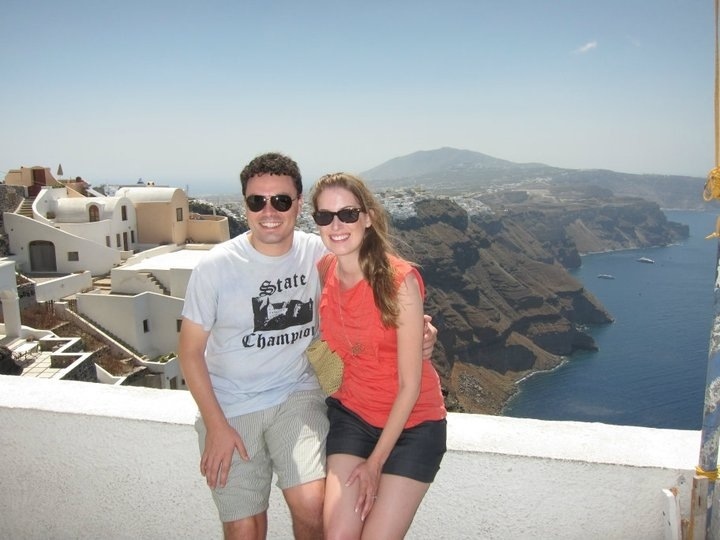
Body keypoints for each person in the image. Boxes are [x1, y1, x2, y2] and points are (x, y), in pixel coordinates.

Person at [178, 152, 437, 540]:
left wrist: (424, 334)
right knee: (244, 528)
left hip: (296, 398)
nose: (269, 211)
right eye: (256, 201)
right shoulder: (216, 267)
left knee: (313, 506)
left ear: (298, 206)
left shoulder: (319, 252)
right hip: (231, 405)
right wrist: (215, 425)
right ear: (244, 206)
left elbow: (383, 287)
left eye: (281, 201)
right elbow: (189, 351)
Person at [311, 172, 447, 540]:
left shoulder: (398, 281)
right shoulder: (324, 269)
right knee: (338, 536)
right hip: (353, 417)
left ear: (368, 216)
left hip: (413, 426)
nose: (336, 225)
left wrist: (375, 464)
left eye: (348, 214)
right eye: (324, 217)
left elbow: (410, 384)